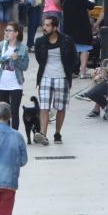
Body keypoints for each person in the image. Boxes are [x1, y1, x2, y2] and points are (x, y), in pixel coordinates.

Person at [34, 15, 78, 145]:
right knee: (44, 106)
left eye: (48, 25)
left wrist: (70, 71)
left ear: (55, 27)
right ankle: (43, 134)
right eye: (44, 25)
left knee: (60, 107)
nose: (45, 27)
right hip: (45, 77)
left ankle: (57, 133)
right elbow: (39, 59)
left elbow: (74, 58)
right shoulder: (40, 42)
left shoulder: (67, 41)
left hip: (62, 77)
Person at [0, 23, 29, 130]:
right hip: (1, 84)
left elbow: (25, 66)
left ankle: (14, 135)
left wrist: (16, 60)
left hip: (16, 83)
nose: (6, 33)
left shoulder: (22, 48)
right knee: (4, 112)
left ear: (16, 33)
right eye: (6, 30)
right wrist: (4, 58)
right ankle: (6, 134)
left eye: (9, 30)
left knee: (14, 111)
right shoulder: (0, 46)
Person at [60, 0, 94, 78]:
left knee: (71, 48)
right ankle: (82, 71)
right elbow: (90, 6)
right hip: (81, 24)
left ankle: (70, 70)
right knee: (84, 48)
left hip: (69, 24)